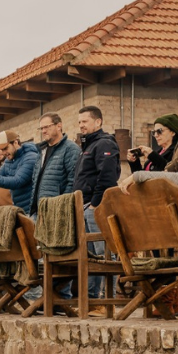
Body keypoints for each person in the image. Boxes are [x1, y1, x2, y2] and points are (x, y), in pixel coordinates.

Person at [73, 106, 121, 299]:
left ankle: (106, 299)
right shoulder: (87, 146)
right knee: (90, 257)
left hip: (95, 208)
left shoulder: (104, 143)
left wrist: (95, 204)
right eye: (79, 122)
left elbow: (108, 176)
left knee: (105, 254)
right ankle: (93, 300)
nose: (81, 126)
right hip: (84, 207)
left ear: (98, 122)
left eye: (85, 121)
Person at [30, 112, 81, 217]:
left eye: (47, 127)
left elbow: (73, 182)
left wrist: (61, 206)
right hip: (39, 211)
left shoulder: (70, 149)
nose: (43, 131)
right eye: (41, 128)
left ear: (59, 126)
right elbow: (35, 182)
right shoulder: (41, 151)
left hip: (57, 212)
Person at [0, 130, 39, 212]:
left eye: (5, 148)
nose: (3, 152)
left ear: (15, 143)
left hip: (33, 210)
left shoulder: (30, 158)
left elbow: (17, 181)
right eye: (1, 149)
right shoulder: (9, 161)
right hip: (20, 209)